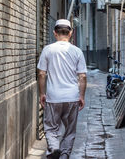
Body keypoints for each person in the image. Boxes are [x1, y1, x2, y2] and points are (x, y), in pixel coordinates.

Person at [37, 19, 88, 159]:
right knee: (70, 131)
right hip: (72, 97)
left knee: (51, 128)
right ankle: (64, 155)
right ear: (70, 33)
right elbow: (82, 76)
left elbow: (41, 73)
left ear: (55, 33)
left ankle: (54, 148)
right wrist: (82, 96)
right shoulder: (77, 51)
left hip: (53, 97)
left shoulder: (48, 50)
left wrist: (42, 93)